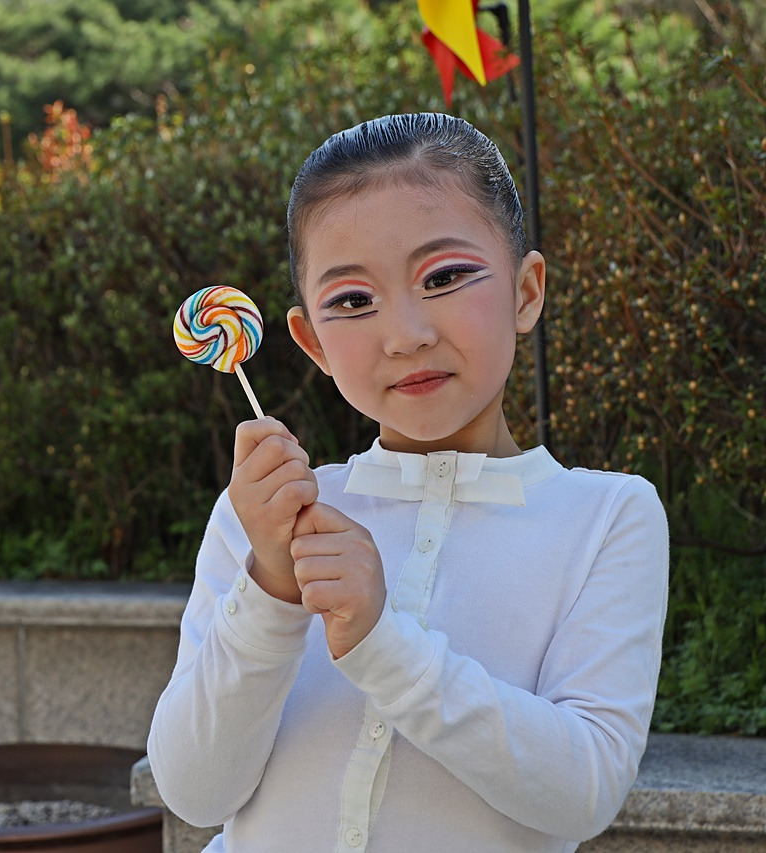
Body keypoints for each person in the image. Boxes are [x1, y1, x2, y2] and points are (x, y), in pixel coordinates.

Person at [147, 113, 669, 853]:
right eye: (352, 300)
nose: (406, 334)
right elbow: (196, 791)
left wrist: (381, 641)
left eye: (444, 277)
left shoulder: (605, 518)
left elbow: (584, 790)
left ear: (526, 292)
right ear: (312, 342)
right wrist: (270, 589)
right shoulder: (264, 520)